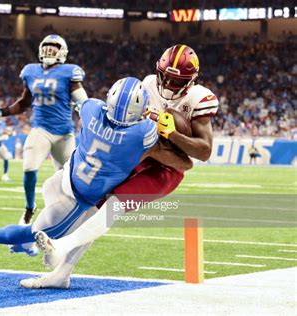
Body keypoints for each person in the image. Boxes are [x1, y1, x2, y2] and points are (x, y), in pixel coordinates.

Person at [0, 78, 192, 286]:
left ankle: (8, 241)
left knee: (38, 228)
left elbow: (83, 102)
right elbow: (180, 160)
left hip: (62, 179)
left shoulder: (91, 110)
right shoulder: (142, 134)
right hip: (78, 198)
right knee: (34, 232)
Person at [30, 44, 219, 289]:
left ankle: (61, 246)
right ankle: (61, 273)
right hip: (139, 153)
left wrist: (172, 134)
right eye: (166, 77)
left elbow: (203, 152)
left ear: (191, 80)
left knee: (114, 206)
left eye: (176, 80)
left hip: (168, 167)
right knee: (93, 206)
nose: (169, 84)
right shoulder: (149, 84)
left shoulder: (198, 98)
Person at [0, 34, 89, 225]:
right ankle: (29, 208)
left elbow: (82, 100)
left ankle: (71, 212)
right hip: (41, 129)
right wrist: (3, 112)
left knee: (69, 177)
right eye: (47, 47)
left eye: (54, 47)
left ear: (62, 52)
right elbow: (24, 103)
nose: (49, 51)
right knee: (29, 166)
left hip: (64, 133)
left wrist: (84, 108)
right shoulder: (31, 71)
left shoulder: (69, 73)